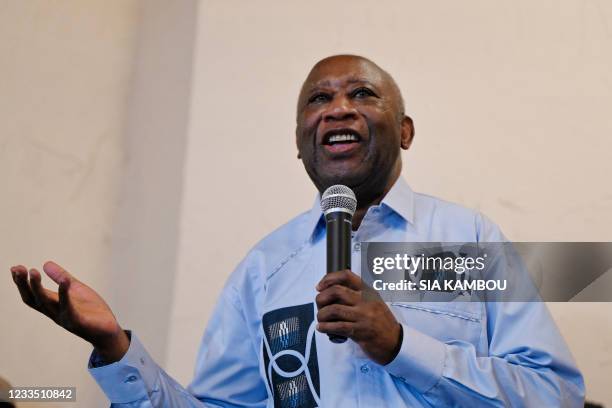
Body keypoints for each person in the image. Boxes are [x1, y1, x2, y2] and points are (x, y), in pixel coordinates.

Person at [10, 55, 585, 407]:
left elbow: (555, 397)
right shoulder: (266, 267)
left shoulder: (466, 240)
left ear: (405, 131)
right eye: (319, 98)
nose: (338, 109)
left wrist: (402, 346)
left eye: (362, 93)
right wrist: (115, 349)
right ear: (299, 141)